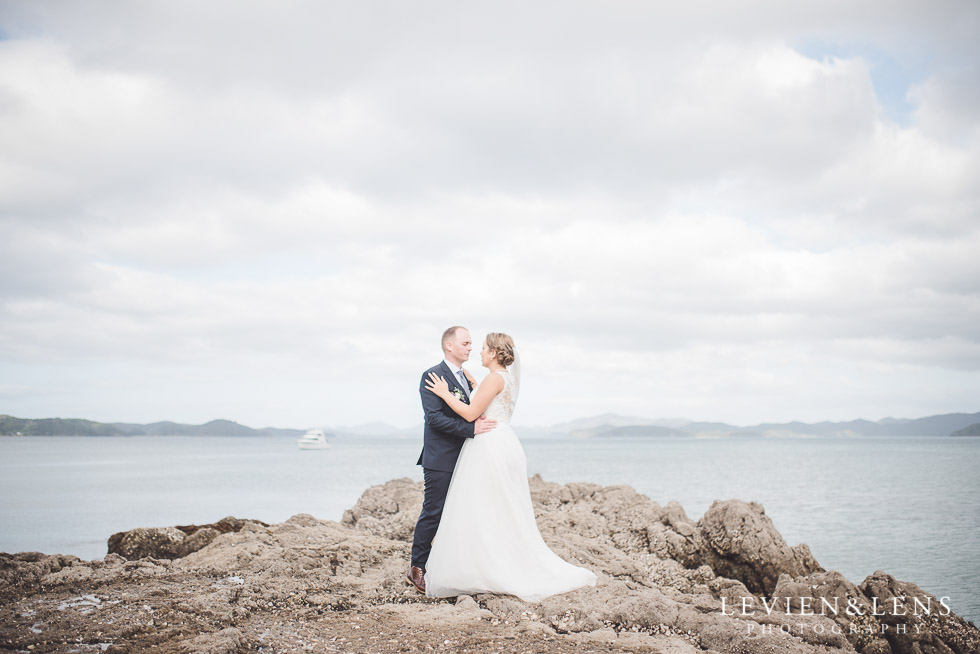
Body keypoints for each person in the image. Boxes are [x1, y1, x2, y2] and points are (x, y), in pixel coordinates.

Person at [421, 332, 597, 602]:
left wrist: (445, 393)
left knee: (485, 506)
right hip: (503, 442)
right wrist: (474, 385)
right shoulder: (502, 377)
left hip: (489, 446)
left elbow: (470, 414)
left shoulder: (494, 378)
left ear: (493, 353)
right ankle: (491, 559)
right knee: (498, 506)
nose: (478, 352)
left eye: (482, 348)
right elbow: (489, 401)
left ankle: (488, 565)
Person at [407, 326, 497, 594]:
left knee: (462, 512)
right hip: (441, 457)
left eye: (472, 344)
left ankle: (455, 566)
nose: (471, 347)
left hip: (467, 457)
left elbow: (468, 410)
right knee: (434, 512)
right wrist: (471, 429)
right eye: (466, 343)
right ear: (449, 345)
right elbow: (434, 418)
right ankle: (417, 568)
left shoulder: (466, 378)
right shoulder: (433, 375)